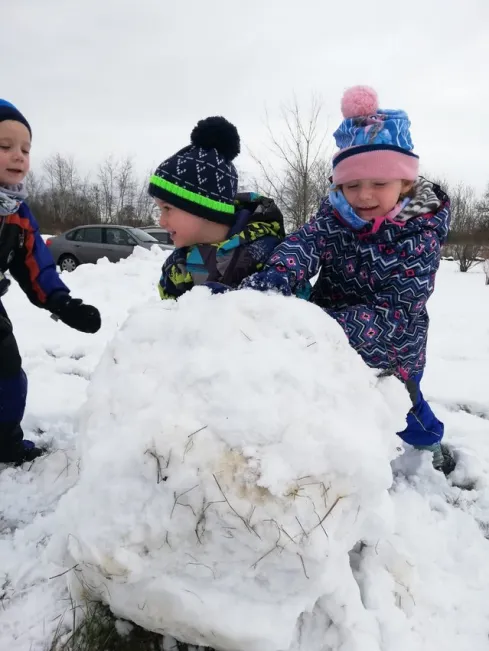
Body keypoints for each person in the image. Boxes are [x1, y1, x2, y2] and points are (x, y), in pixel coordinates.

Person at [241, 86, 455, 475]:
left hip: (394, 349)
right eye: (352, 185)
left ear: (405, 184)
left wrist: (318, 328)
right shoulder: (335, 215)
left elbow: (397, 312)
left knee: (407, 411)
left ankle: (434, 442)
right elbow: (306, 243)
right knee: (334, 404)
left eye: (379, 183)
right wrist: (274, 278)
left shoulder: (420, 234)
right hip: (329, 336)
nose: (364, 195)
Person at [0, 99, 101, 465]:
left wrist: (62, 302)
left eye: (25, 149)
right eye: (5, 146)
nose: (18, 156)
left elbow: (34, 263)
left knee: (10, 375)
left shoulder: (17, 212)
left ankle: (5, 441)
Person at [148, 116, 286, 300]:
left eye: (167, 208)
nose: (161, 221)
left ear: (202, 207)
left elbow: (295, 318)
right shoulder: (175, 267)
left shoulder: (268, 254)